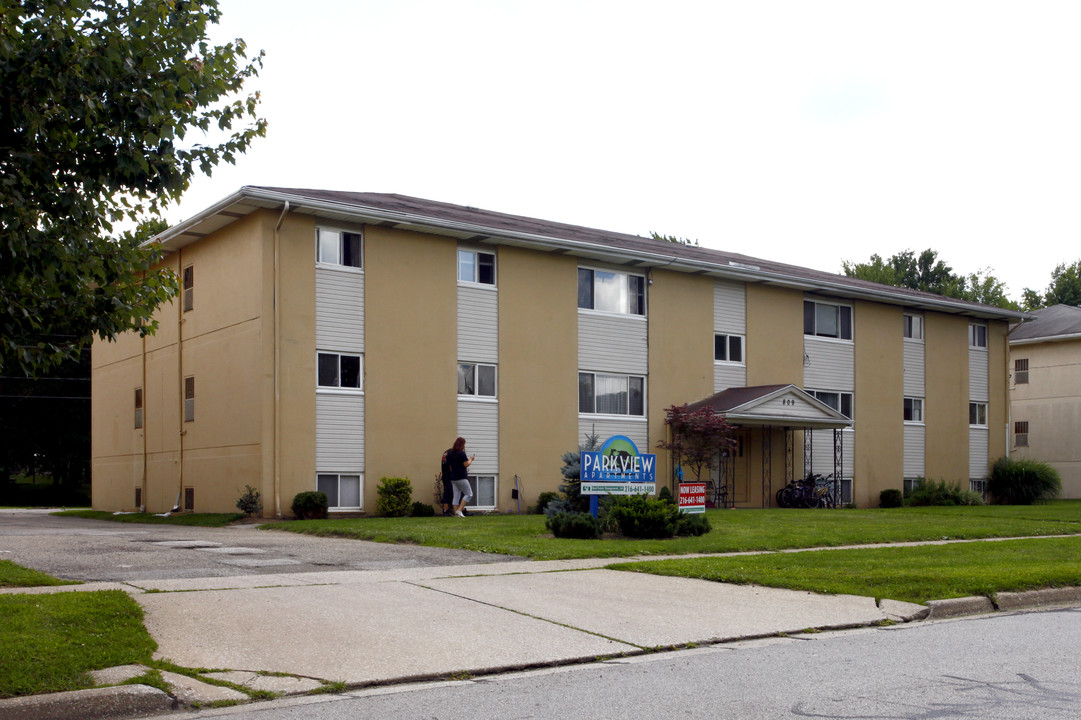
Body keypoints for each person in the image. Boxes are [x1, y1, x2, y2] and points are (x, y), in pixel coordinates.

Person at [447, 436, 474, 518]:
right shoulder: (461, 453)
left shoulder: (451, 453)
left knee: (456, 496)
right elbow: (466, 464)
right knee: (469, 494)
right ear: (462, 444)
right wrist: (471, 459)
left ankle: (456, 514)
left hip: (453, 478)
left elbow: (450, 466)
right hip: (461, 477)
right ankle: (459, 510)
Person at [439, 448, 454, 516]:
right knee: (451, 494)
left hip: (445, 476)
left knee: (446, 493)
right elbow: (451, 466)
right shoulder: (452, 453)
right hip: (450, 476)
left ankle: (445, 510)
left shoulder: (446, 452)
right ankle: (455, 510)